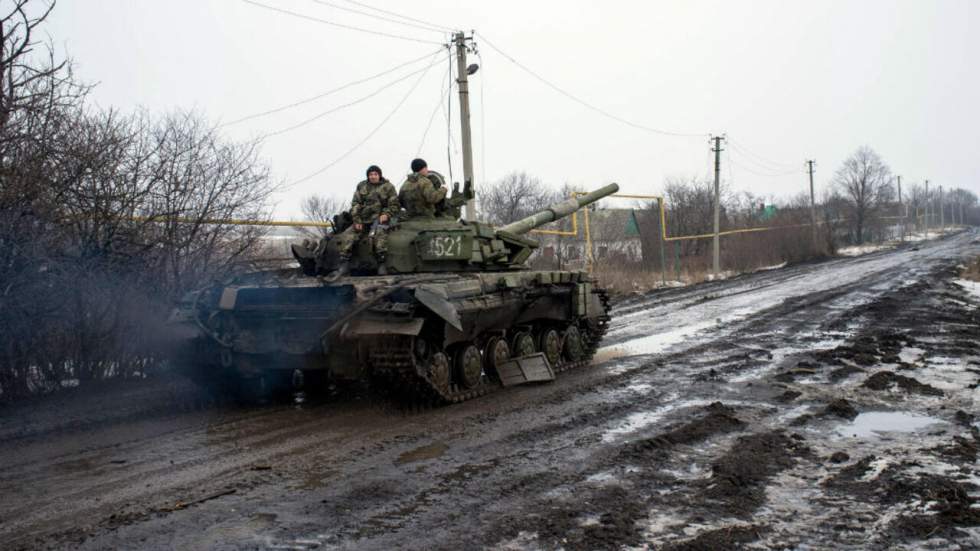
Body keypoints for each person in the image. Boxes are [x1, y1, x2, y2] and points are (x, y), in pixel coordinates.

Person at [329, 165, 398, 279]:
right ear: (368, 176)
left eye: (375, 174)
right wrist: (356, 220)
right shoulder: (362, 186)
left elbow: (394, 204)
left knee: (380, 235)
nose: (373, 176)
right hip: (363, 219)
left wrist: (386, 214)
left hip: (380, 219)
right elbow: (356, 204)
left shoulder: (388, 187)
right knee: (348, 236)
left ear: (379, 175)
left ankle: (381, 264)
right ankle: (344, 264)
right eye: (370, 174)